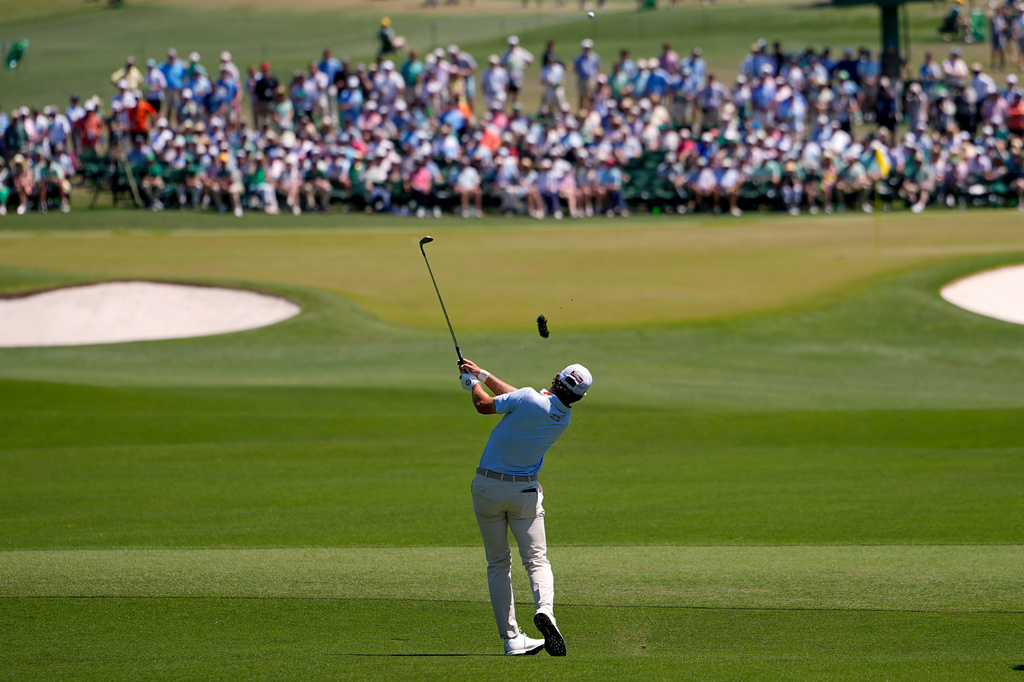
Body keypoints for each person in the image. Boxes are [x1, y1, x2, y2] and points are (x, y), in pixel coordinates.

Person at [457, 358, 593, 657]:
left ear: (557, 377)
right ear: (579, 398)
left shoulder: (529, 398)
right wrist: (484, 374)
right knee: (536, 560)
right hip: (524, 493)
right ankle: (546, 611)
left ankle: (511, 639)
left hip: (487, 488)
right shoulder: (561, 417)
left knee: (498, 564)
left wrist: (472, 383)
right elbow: (522, 399)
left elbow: (484, 405)